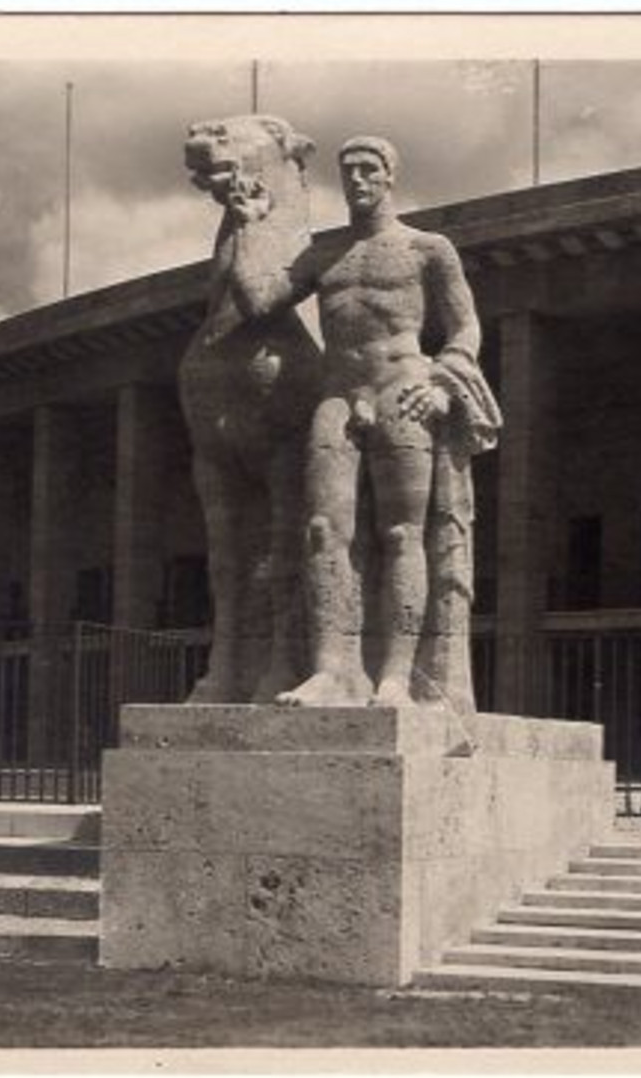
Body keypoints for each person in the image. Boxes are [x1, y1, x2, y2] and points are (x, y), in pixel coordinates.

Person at [224, 135, 500, 707]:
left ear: (389, 176)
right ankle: (331, 670)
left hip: (404, 393)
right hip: (339, 396)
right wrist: (245, 224)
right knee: (323, 531)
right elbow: (257, 300)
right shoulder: (323, 254)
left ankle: (397, 679)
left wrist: (442, 378)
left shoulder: (428, 249)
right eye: (348, 171)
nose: (357, 180)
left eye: (369, 169)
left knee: (403, 534)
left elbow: (466, 327)